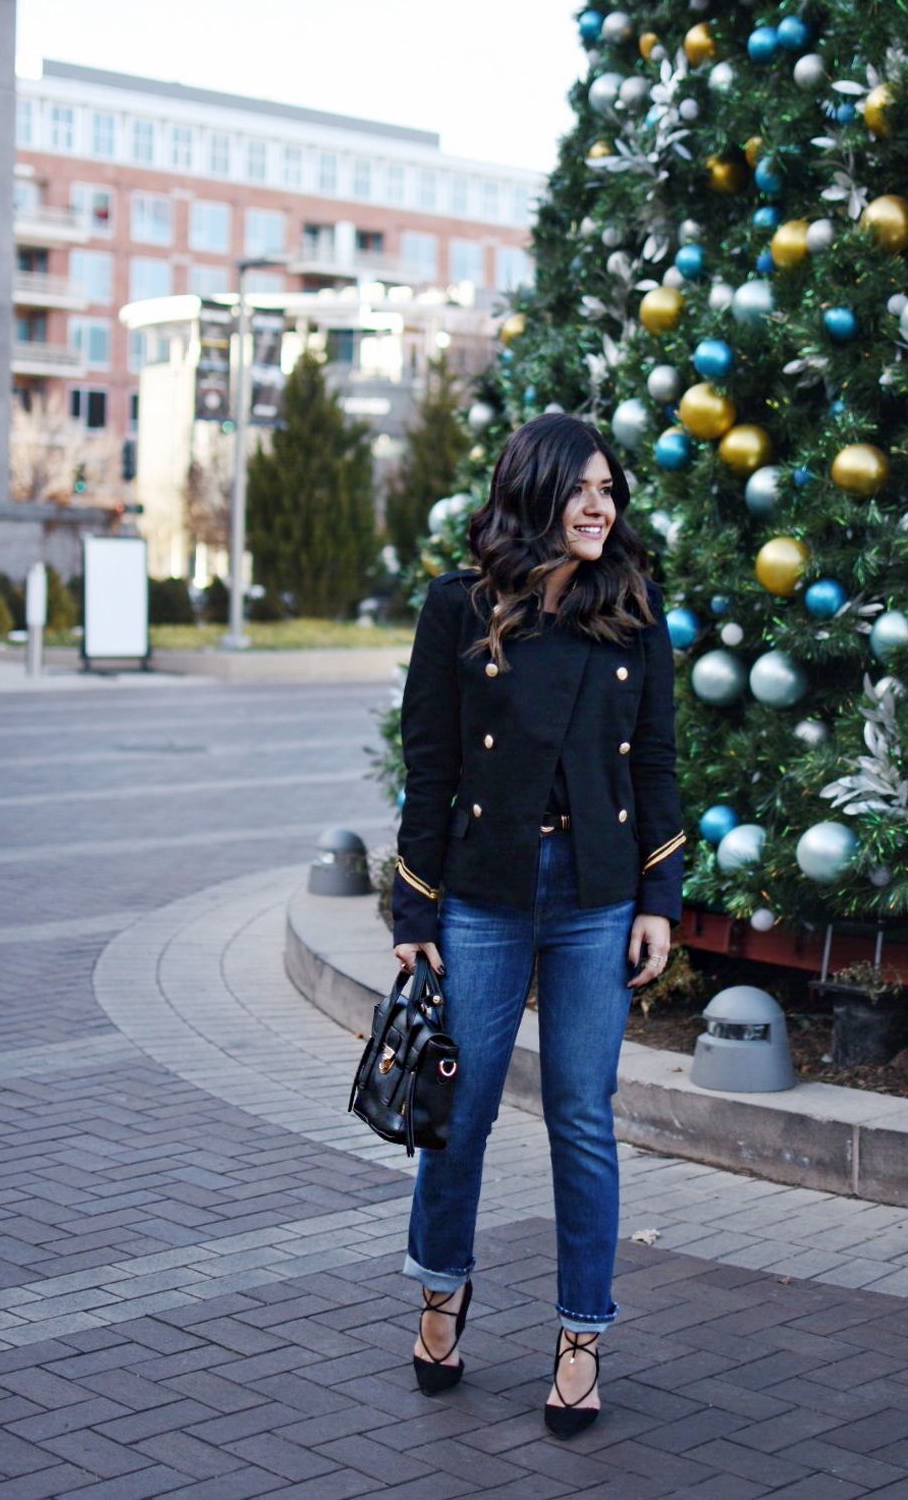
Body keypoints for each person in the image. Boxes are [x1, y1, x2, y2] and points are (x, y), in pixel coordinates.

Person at [391, 412, 685, 1437]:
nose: (601, 506)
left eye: (610, 489)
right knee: (454, 1117)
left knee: (580, 1120)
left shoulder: (633, 614)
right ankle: (440, 1294)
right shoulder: (456, 610)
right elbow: (429, 764)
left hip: (596, 897)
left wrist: (658, 900)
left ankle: (579, 1339)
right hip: (481, 895)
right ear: (534, 495)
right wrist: (412, 905)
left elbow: (655, 765)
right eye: (580, 489)